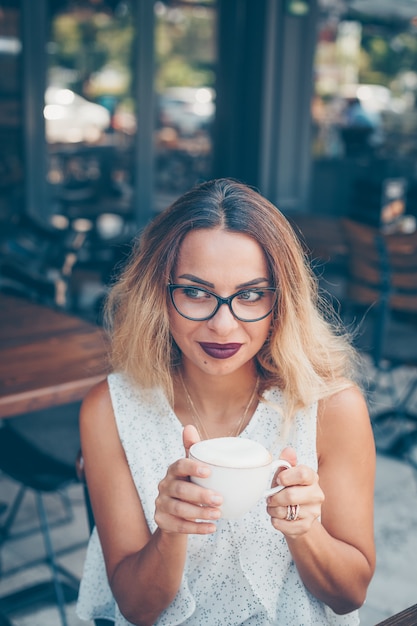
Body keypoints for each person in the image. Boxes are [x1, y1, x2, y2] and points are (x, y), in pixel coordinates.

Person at [76, 178, 376, 626]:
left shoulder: (333, 408)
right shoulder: (110, 410)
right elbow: (137, 609)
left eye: (250, 295)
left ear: (282, 301)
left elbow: (349, 595)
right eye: (196, 292)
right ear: (158, 293)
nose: (223, 324)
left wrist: (305, 529)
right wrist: (171, 531)